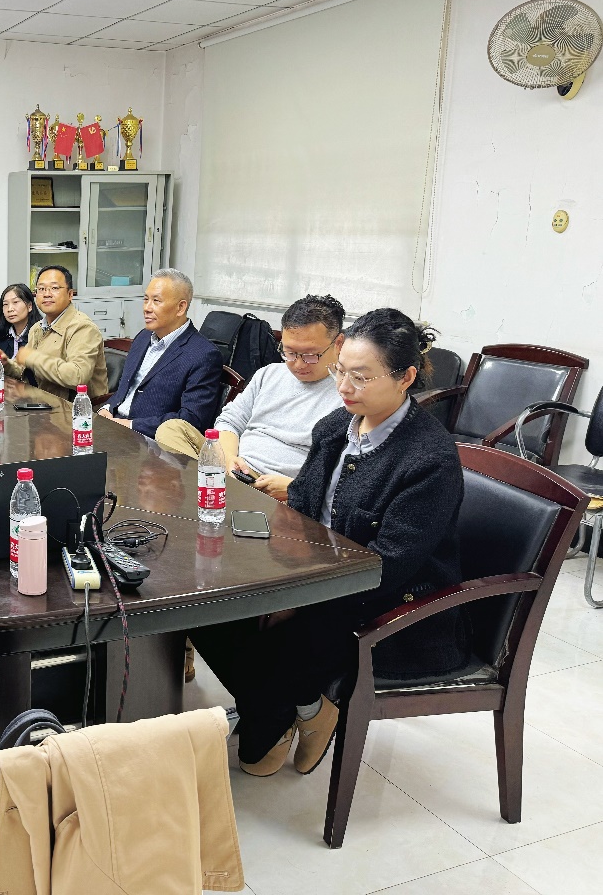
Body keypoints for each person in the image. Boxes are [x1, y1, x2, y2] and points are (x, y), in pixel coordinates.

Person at [188, 309, 469, 778]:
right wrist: (278, 572)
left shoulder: (429, 459)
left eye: (361, 377)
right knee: (206, 608)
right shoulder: (337, 426)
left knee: (269, 652)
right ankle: (303, 710)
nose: (343, 386)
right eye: (340, 371)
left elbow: (390, 565)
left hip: (391, 605)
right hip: (324, 577)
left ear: (406, 378)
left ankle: (281, 716)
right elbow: (301, 506)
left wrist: (301, 597)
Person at [214, 294, 346, 500]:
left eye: (311, 355)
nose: (299, 364)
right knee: (173, 430)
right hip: (237, 467)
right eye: (289, 353)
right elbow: (230, 421)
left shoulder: (348, 394)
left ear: (338, 343)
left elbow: (343, 473)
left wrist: (297, 488)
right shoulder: (269, 374)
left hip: (278, 488)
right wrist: (228, 458)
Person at [98, 270, 221, 448]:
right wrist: (106, 409)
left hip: (150, 444)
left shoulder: (203, 354)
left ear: (181, 307)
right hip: (113, 428)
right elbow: (125, 391)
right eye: (145, 299)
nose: (147, 308)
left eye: (156, 301)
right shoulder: (143, 337)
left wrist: (131, 425)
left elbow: (191, 420)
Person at [0, 266, 108, 401]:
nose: (47, 294)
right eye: (41, 289)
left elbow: (78, 376)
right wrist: (5, 364)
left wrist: (33, 358)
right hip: (42, 402)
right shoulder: (37, 328)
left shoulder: (83, 327)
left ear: (70, 294)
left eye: (54, 288)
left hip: (76, 409)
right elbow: (23, 368)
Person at [0, 283, 41, 367]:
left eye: (15, 302)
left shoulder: (40, 333)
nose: (10, 309)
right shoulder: (0, 331)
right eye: (5, 304)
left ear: (29, 306)